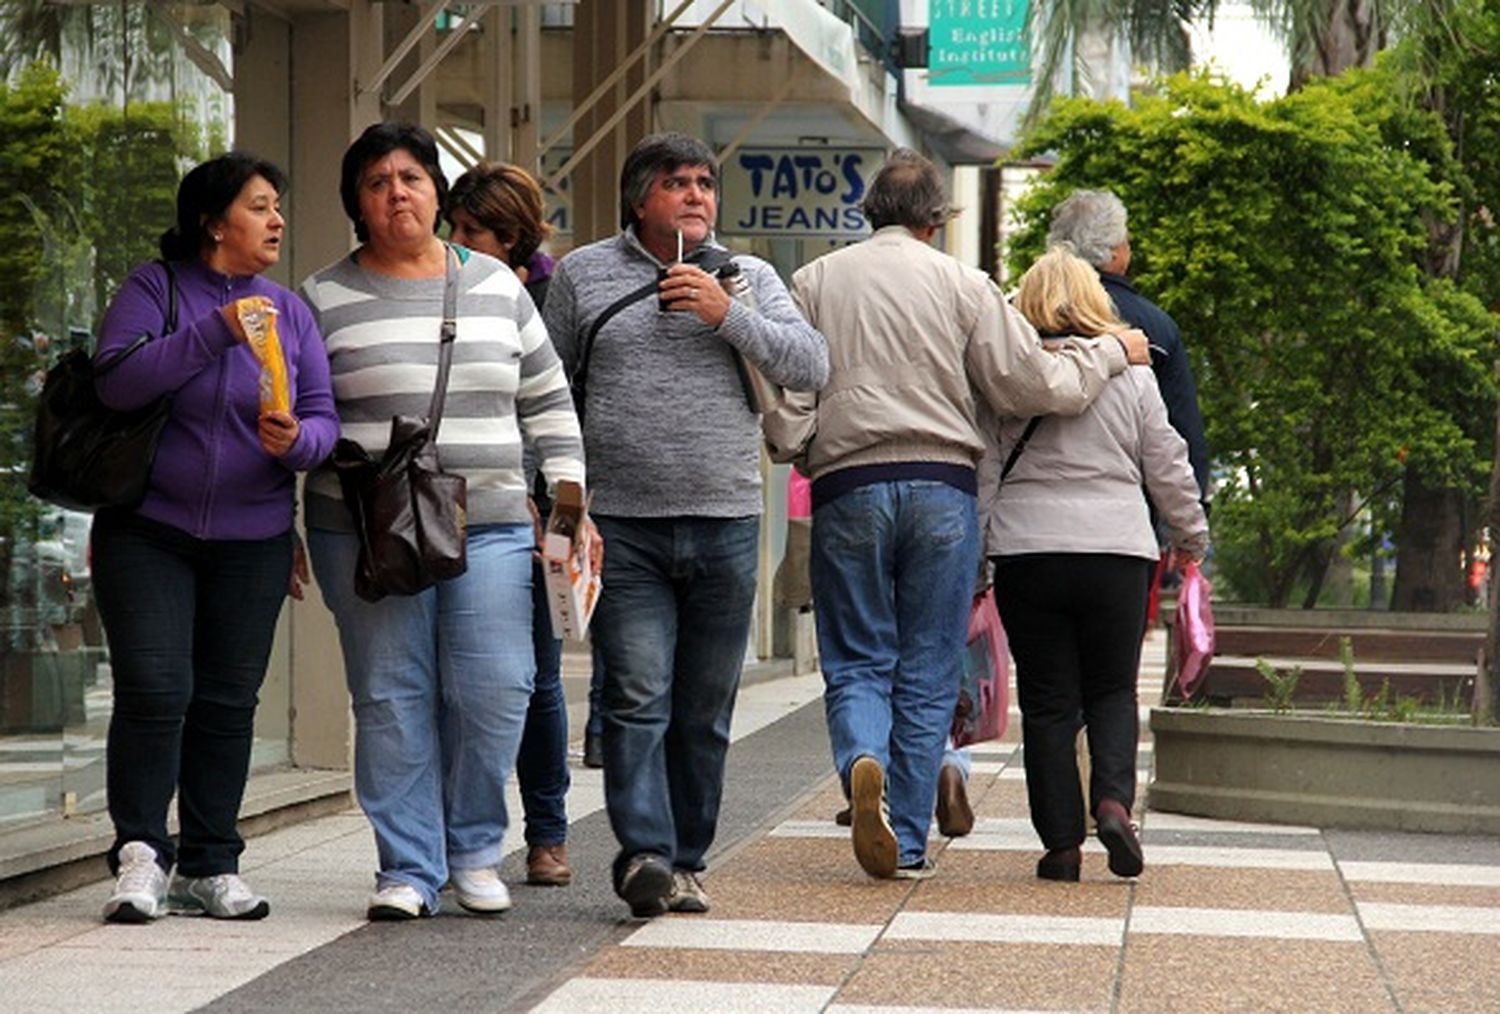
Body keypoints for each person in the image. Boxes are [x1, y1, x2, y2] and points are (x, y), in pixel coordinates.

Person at [789, 148, 1148, 880]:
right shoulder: (964, 283)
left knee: (858, 658)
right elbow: (1031, 384)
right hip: (942, 486)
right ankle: (911, 840)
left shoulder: (815, 280)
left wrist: (800, 445)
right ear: (935, 220)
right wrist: (1110, 354)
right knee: (926, 667)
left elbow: (790, 388)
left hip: (848, 483)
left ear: (870, 214)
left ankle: (863, 759)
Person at [301, 123, 586, 920]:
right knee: (392, 694)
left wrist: (568, 506)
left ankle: (473, 846)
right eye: (377, 181)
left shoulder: (496, 286)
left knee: (498, 686)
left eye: (413, 177)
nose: (397, 191)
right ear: (357, 204)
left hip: (491, 519)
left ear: (437, 191)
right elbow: (299, 418)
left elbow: (550, 404)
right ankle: (409, 867)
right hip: (361, 527)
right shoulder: (321, 298)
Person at [543, 132, 828, 918]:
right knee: (637, 693)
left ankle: (690, 857)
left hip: (728, 519)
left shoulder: (748, 276)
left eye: (705, 182)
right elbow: (550, 388)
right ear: (641, 198)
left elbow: (811, 364)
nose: (697, 195)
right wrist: (565, 503)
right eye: (677, 183)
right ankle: (644, 853)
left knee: (704, 708)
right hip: (623, 525)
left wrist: (727, 314)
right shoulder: (582, 274)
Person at [91, 152, 339, 923]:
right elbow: (116, 381)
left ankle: (211, 862)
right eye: (260, 206)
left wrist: (295, 443)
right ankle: (140, 854)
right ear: (212, 221)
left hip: (254, 535)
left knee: (229, 702)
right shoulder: (154, 288)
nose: (276, 220)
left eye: (277, 207)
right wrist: (214, 333)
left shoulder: (291, 311)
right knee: (157, 690)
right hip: (149, 530)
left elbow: (327, 419)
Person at [980, 246, 1209, 883]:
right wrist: (1191, 533)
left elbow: (986, 473)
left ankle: (1060, 846)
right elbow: (1167, 460)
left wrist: (974, 556)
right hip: (1117, 551)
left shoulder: (1011, 381)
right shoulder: (1131, 375)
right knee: (1112, 689)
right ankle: (1112, 801)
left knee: (1051, 702)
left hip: (1028, 553)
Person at [447, 160, 572, 888]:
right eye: (454, 230)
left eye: (474, 234)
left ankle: (547, 834)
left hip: (542, 507)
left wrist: (559, 501)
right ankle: (460, 834)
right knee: (468, 681)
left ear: (514, 238)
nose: (459, 245)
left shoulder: (553, 295)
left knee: (538, 678)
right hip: (463, 504)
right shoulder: (445, 287)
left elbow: (563, 402)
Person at [1047, 189, 1210, 503]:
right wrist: (1191, 516)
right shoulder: (1153, 327)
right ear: (1114, 254)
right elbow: (1180, 432)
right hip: (1126, 516)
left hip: (1024, 524)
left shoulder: (1022, 316)